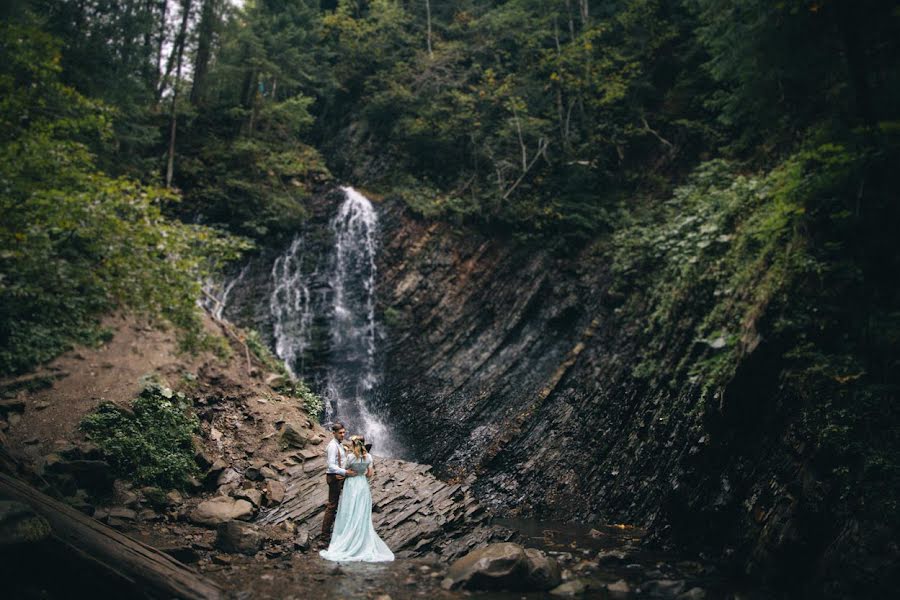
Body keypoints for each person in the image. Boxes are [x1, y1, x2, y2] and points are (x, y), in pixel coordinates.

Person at [319, 435, 394, 562]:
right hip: (362, 484)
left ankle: (347, 537)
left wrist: (349, 472)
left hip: (351, 485)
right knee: (361, 512)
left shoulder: (350, 457)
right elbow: (370, 474)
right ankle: (361, 538)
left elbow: (345, 470)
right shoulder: (369, 457)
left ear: (354, 444)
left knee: (349, 510)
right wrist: (362, 473)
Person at [320, 421, 348, 549]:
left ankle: (339, 532)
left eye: (344, 432)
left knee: (339, 504)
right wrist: (345, 472)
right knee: (332, 506)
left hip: (339, 476)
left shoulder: (339, 444)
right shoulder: (332, 446)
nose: (343, 434)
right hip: (334, 477)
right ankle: (324, 537)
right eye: (340, 433)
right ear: (334, 433)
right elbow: (331, 465)